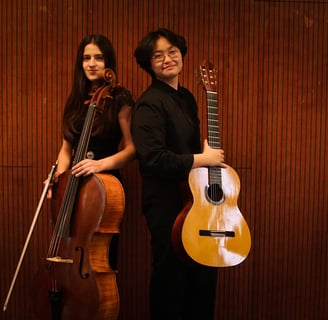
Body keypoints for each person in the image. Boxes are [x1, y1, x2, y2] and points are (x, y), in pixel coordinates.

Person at [132, 28, 225, 320]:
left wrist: (206, 157)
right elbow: (153, 159)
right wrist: (201, 158)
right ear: (149, 64)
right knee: (170, 279)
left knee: (203, 275)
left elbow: (193, 149)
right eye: (157, 55)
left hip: (196, 200)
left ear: (182, 54)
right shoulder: (148, 103)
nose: (167, 59)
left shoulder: (186, 97)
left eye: (172, 51)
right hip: (166, 204)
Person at [49, 34, 135, 269]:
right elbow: (66, 149)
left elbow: (131, 149)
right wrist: (57, 178)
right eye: (86, 58)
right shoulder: (75, 99)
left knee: (100, 255)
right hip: (72, 183)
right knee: (69, 239)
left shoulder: (120, 98)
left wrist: (100, 165)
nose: (92, 63)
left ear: (108, 63)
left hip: (104, 184)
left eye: (98, 57)